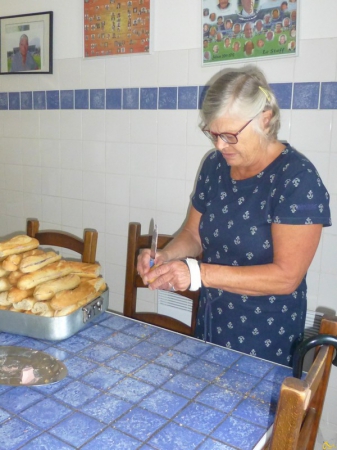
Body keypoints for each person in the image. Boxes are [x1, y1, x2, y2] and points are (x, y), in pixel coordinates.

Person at [137, 66, 331, 367]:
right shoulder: (215, 166)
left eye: (230, 135)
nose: (219, 145)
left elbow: (286, 277)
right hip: (212, 323)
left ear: (265, 120)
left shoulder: (297, 179)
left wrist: (198, 274)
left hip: (266, 337)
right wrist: (165, 256)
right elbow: (193, 234)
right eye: (213, 134)